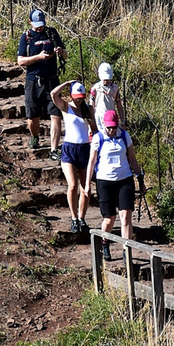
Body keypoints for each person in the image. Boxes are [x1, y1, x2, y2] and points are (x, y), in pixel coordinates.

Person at [84, 110, 142, 258]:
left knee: (126, 215)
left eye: (113, 127)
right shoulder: (98, 138)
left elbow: (132, 159)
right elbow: (91, 162)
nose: (111, 130)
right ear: (104, 124)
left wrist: (140, 179)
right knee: (110, 218)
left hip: (125, 179)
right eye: (109, 127)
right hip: (105, 181)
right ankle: (105, 242)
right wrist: (87, 184)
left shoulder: (124, 136)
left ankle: (126, 250)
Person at [17, 7, 67, 154]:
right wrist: (38, 57)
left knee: (55, 115)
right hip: (33, 80)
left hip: (52, 80)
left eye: (42, 24)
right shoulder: (26, 37)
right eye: (37, 25)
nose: (40, 28)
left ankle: (53, 149)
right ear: (30, 22)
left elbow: (65, 55)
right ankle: (35, 137)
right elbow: (20, 61)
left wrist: (60, 52)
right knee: (33, 116)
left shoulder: (51, 33)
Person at [52, 79, 94, 233]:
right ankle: (74, 217)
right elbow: (53, 94)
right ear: (72, 96)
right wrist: (67, 83)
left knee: (86, 188)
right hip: (69, 149)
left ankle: (82, 218)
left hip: (84, 149)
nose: (79, 100)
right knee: (72, 184)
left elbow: (94, 129)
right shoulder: (66, 107)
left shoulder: (88, 109)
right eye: (77, 97)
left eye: (81, 97)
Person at [89, 61, 122, 136]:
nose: (106, 80)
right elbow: (91, 105)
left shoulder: (115, 88)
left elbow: (119, 104)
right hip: (99, 116)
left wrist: (122, 121)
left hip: (111, 117)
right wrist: (91, 123)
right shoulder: (95, 88)